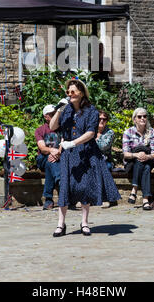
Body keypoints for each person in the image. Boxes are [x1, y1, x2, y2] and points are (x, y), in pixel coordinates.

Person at [49, 78, 121, 237]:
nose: (70, 94)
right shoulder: (66, 110)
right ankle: (61, 224)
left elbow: (91, 133)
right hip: (69, 155)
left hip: (86, 153)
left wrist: (73, 143)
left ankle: (85, 223)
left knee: (84, 187)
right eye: (68, 92)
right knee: (65, 188)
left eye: (73, 91)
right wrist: (59, 109)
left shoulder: (91, 111)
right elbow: (52, 126)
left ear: (81, 92)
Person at [122, 108, 154, 210]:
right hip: (131, 162)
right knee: (144, 166)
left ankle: (134, 190)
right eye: (139, 116)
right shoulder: (128, 132)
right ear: (134, 120)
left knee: (145, 164)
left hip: (148, 160)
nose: (142, 118)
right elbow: (125, 154)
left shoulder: (152, 132)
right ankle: (145, 200)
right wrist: (136, 155)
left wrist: (147, 156)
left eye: (144, 116)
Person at [35, 104, 62, 210]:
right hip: (42, 157)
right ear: (46, 116)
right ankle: (60, 179)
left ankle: (48, 199)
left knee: (50, 164)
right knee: (49, 160)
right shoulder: (40, 130)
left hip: (57, 159)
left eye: (56, 114)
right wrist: (53, 151)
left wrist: (58, 154)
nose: (55, 116)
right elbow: (42, 148)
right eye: (52, 114)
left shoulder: (62, 128)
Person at [96, 110, 117, 207]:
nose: (101, 121)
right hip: (91, 160)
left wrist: (96, 138)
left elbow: (103, 146)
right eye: (99, 118)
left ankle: (106, 198)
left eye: (104, 119)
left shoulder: (110, 132)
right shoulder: (89, 130)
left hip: (105, 160)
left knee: (104, 168)